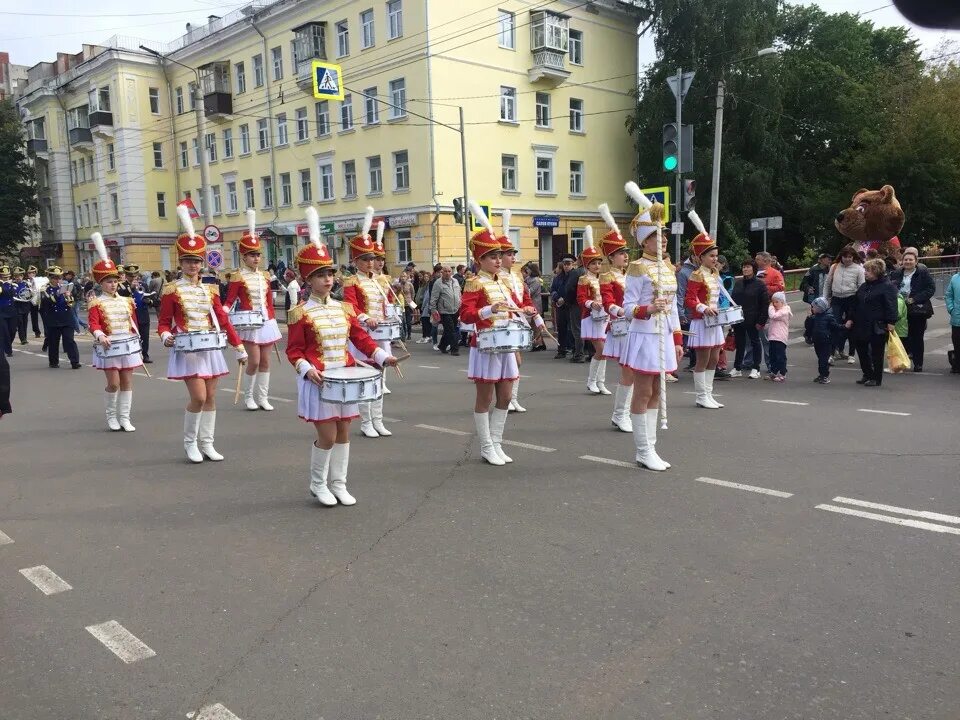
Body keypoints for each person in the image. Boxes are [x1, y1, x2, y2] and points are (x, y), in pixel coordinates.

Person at [287, 209, 398, 506]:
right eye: (321, 275)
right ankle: (318, 484)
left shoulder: (343, 309)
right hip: (319, 380)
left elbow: (358, 338)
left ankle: (339, 484)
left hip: (345, 379)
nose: (328, 279)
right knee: (327, 435)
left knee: (344, 432)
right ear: (308, 279)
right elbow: (294, 350)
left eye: (330, 273)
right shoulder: (300, 313)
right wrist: (307, 369)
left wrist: (381, 355)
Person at [159, 205, 247, 462]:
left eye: (196, 261)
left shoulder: (211, 289)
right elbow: (163, 323)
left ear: (202, 262)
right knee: (198, 397)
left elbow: (222, 319)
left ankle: (207, 443)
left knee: (210, 397)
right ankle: (190, 443)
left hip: (209, 346)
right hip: (187, 348)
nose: (193, 265)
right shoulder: (171, 289)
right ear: (181, 262)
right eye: (188, 261)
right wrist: (166, 337)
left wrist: (238, 346)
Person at [459, 203, 532, 466]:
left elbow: (516, 304)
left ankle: (497, 443)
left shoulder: (501, 282)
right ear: (480, 260)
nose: (498, 260)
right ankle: (486, 446)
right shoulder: (474, 283)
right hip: (487, 345)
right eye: (493, 256)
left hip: (507, 343)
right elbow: (465, 315)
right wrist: (489, 309)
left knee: (506, 396)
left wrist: (528, 310)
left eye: (500, 256)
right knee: (485, 397)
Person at [620, 196, 683, 471]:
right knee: (643, 391)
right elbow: (627, 308)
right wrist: (647, 308)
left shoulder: (668, 268)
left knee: (658, 390)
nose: (664, 240)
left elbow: (674, 308)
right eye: (657, 236)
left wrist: (678, 338)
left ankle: (651, 447)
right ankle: (643, 450)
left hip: (664, 336)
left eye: (665, 236)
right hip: (645, 335)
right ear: (644, 241)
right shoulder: (637, 268)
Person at [341, 208, 395, 438]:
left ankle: (379, 420)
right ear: (356, 261)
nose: (371, 262)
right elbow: (352, 307)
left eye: (372, 258)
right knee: (366, 377)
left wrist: (390, 315)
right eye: (366, 259)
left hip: (380, 331)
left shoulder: (382, 280)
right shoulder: (351, 281)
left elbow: (386, 304)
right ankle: (366, 422)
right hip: (363, 333)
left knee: (380, 374)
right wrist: (365, 318)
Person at [226, 210, 284, 411]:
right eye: (252, 255)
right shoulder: (237, 276)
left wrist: (273, 320)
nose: (256, 258)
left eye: (258, 254)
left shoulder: (266, 276)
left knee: (266, 361)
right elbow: (231, 299)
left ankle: (263, 397)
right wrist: (223, 312)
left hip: (266, 322)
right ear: (244, 257)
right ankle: (248, 397)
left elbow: (269, 300)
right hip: (249, 322)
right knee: (254, 361)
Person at [87, 233, 142, 431]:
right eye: (108, 281)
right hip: (109, 346)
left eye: (114, 281)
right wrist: (100, 335)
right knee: (114, 384)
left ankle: (125, 417)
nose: (113, 284)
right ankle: (111, 416)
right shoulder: (96, 302)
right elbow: (93, 324)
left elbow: (133, 323)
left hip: (127, 345)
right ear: (101, 283)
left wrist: (137, 341)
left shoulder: (126, 301)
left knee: (127, 382)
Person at [498, 212, 543, 412]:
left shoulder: (517, 276)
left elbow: (524, 297)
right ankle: (507, 399)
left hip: (516, 323)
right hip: (502, 324)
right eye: (509, 254)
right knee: (513, 361)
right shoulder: (495, 277)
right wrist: (520, 308)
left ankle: (511, 398)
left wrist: (531, 309)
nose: (513, 257)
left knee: (514, 362)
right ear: (499, 256)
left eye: (513, 254)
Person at [683, 212, 726, 409]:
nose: (715, 259)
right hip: (701, 321)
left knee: (715, 357)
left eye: (716, 256)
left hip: (714, 321)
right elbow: (689, 299)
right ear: (700, 257)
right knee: (703, 358)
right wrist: (704, 308)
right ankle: (701, 396)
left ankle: (709, 394)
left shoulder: (715, 273)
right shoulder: (696, 275)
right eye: (711, 256)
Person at [597, 202, 632, 430]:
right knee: (629, 371)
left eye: (626, 253)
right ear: (611, 257)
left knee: (636, 372)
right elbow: (607, 302)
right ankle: (620, 414)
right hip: (620, 326)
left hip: (636, 324)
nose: (625, 257)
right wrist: (619, 311)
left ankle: (625, 413)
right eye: (620, 254)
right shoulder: (607, 277)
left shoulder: (633, 274)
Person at [845, 258, 897, 388]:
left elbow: (891, 306)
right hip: (861, 323)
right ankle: (867, 373)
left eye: (868, 271)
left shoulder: (887, 286)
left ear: (877, 271)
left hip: (877, 325)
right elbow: (855, 303)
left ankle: (876, 378)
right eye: (865, 270)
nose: (865, 273)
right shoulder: (864, 286)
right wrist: (850, 317)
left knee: (877, 353)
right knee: (861, 350)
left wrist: (891, 322)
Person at [889, 247, 935, 373]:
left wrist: (914, 299)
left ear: (916, 261)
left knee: (917, 337)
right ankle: (901, 363)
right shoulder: (896, 273)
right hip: (899, 309)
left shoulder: (923, 273)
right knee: (901, 337)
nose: (908, 262)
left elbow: (930, 289)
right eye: (906, 259)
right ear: (902, 261)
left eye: (911, 259)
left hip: (916, 310)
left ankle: (918, 363)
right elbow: (890, 288)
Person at [576, 226, 610, 394]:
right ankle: (592, 381)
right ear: (587, 265)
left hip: (603, 317)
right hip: (590, 317)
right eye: (594, 263)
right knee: (601, 350)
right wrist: (591, 304)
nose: (597, 266)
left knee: (604, 352)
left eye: (599, 263)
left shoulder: (603, 279)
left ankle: (600, 382)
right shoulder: (583, 279)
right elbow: (581, 299)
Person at [824, 245, 865, 363]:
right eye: (845, 257)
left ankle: (852, 353)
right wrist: (825, 299)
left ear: (853, 257)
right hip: (837, 298)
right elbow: (828, 283)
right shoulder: (834, 267)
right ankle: (832, 353)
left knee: (851, 325)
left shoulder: (858, 269)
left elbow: (861, 286)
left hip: (851, 298)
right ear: (841, 257)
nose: (847, 259)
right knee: (834, 324)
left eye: (850, 257)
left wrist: (859, 303)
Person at [730, 260, 768, 378]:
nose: (745, 269)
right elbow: (733, 301)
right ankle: (737, 367)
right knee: (740, 343)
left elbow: (764, 304)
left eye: (747, 267)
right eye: (743, 267)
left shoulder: (760, 284)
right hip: (738, 318)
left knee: (755, 342)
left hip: (753, 319)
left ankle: (756, 368)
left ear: (753, 269)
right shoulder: (738, 283)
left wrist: (761, 321)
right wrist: (732, 318)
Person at [39, 266, 81, 369]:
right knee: (53, 342)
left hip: (66, 317)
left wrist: (68, 296)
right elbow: (47, 302)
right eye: (55, 278)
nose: (57, 280)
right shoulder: (45, 289)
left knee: (69, 340)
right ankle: (53, 362)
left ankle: (75, 362)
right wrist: (58, 294)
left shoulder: (64, 287)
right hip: (53, 318)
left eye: (59, 277)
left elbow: (71, 304)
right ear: (49, 277)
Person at [117, 264, 155, 364]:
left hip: (143, 314)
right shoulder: (121, 286)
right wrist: (131, 288)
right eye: (130, 276)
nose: (133, 278)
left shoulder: (143, 285)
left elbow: (150, 296)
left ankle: (145, 355)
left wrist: (149, 301)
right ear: (126, 275)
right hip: (130, 316)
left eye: (135, 276)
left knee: (145, 336)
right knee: (132, 336)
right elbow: (120, 297)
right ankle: (134, 355)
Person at [806, 297, 842, 383]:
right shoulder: (814, 317)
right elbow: (808, 327)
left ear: (819, 308)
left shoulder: (828, 317)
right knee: (820, 358)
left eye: (813, 307)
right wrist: (808, 318)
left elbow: (835, 327)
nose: (812, 309)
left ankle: (825, 375)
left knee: (823, 359)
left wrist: (844, 327)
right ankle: (822, 374)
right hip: (817, 340)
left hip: (826, 341)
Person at [429, 266, 462, 356]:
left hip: (455, 309)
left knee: (449, 330)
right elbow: (434, 298)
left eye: (449, 271)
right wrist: (433, 310)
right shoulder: (438, 283)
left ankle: (442, 346)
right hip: (444, 311)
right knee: (451, 330)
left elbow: (459, 294)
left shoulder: (455, 281)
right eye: (445, 271)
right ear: (442, 272)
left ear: (451, 272)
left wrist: (460, 304)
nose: (447, 273)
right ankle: (454, 349)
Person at [675, 248, 699, 371]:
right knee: (692, 338)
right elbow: (680, 293)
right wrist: (680, 313)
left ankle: (696, 363)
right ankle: (695, 363)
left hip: (700, 310)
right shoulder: (684, 272)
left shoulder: (701, 270)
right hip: (689, 310)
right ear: (693, 257)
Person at [550, 255, 576, 358]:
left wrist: (565, 299)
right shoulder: (558, 278)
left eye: (568, 264)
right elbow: (552, 290)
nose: (566, 266)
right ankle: (561, 350)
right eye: (564, 264)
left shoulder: (575, 276)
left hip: (571, 306)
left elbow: (574, 291)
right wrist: (557, 297)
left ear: (573, 264)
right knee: (561, 328)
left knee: (572, 329)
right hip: (560, 307)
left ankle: (574, 350)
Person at [766, 291, 793, 382]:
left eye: (777, 302)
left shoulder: (784, 311)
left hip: (780, 337)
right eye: (773, 302)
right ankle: (773, 371)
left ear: (782, 302)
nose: (774, 304)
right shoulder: (776, 309)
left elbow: (773, 316)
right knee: (772, 355)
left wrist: (770, 307)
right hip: (773, 336)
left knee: (780, 356)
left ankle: (782, 372)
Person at [523, 263, 547, 351]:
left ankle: (537, 344)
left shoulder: (536, 280)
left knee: (536, 325)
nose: (527, 271)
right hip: (529, 304)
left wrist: (524, 287)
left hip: (535, 303)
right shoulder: (527, 279)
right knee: (533, 325)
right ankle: (538, 343)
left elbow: (530, 292)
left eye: (528, 269)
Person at [0, 266, 18, 357]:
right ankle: (8, 350)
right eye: (4, 277)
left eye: (7, 276)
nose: (6, 278)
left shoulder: (13, 285)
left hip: (12, 311)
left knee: (12, 331)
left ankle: (6, 345)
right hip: (2, 311)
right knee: (5, 332)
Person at [12, 268, 32, 346]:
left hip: (25, 306)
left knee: (25, 322)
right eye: (16, 276)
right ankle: (23, 339)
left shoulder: (26, 284)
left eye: (20, 276)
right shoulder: (13, 284)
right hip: (17, 306)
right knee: (20, 323)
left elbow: (30, 293)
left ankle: (25, 337)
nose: (18, 278)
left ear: (22, 276)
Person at [946, 267, 960, 374]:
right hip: (957, 318)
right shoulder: (955, 278)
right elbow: (949, 295)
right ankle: (957, 365)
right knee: (957, 343)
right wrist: (951, 308)